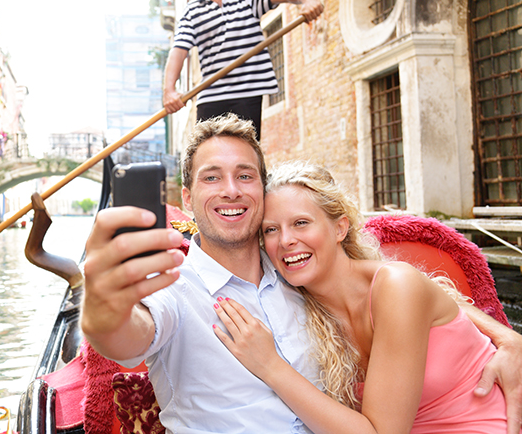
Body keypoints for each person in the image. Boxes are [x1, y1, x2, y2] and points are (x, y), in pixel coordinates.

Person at [80, 113, 522, 434]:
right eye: (212, 178)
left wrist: (507, 338)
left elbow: (406, 290)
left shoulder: (296, 274)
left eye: (245, 176)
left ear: (260, 190)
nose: (231, 190)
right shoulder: (173, 286)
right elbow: (129, 335)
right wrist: (103, 309)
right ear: (188, 196)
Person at [213, 160, 509, 433]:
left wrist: (270, 366)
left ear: (340, 228)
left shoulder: (396, 285)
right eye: (271, 230)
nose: (286, 240)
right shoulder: (298, 309)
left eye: (301, 223)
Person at [162, 0, 325, 139]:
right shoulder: (192, 11)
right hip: (211, 95)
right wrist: (169, 90)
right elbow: (178, 51)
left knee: (246, 155)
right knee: (205, 156)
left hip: (248, 93)